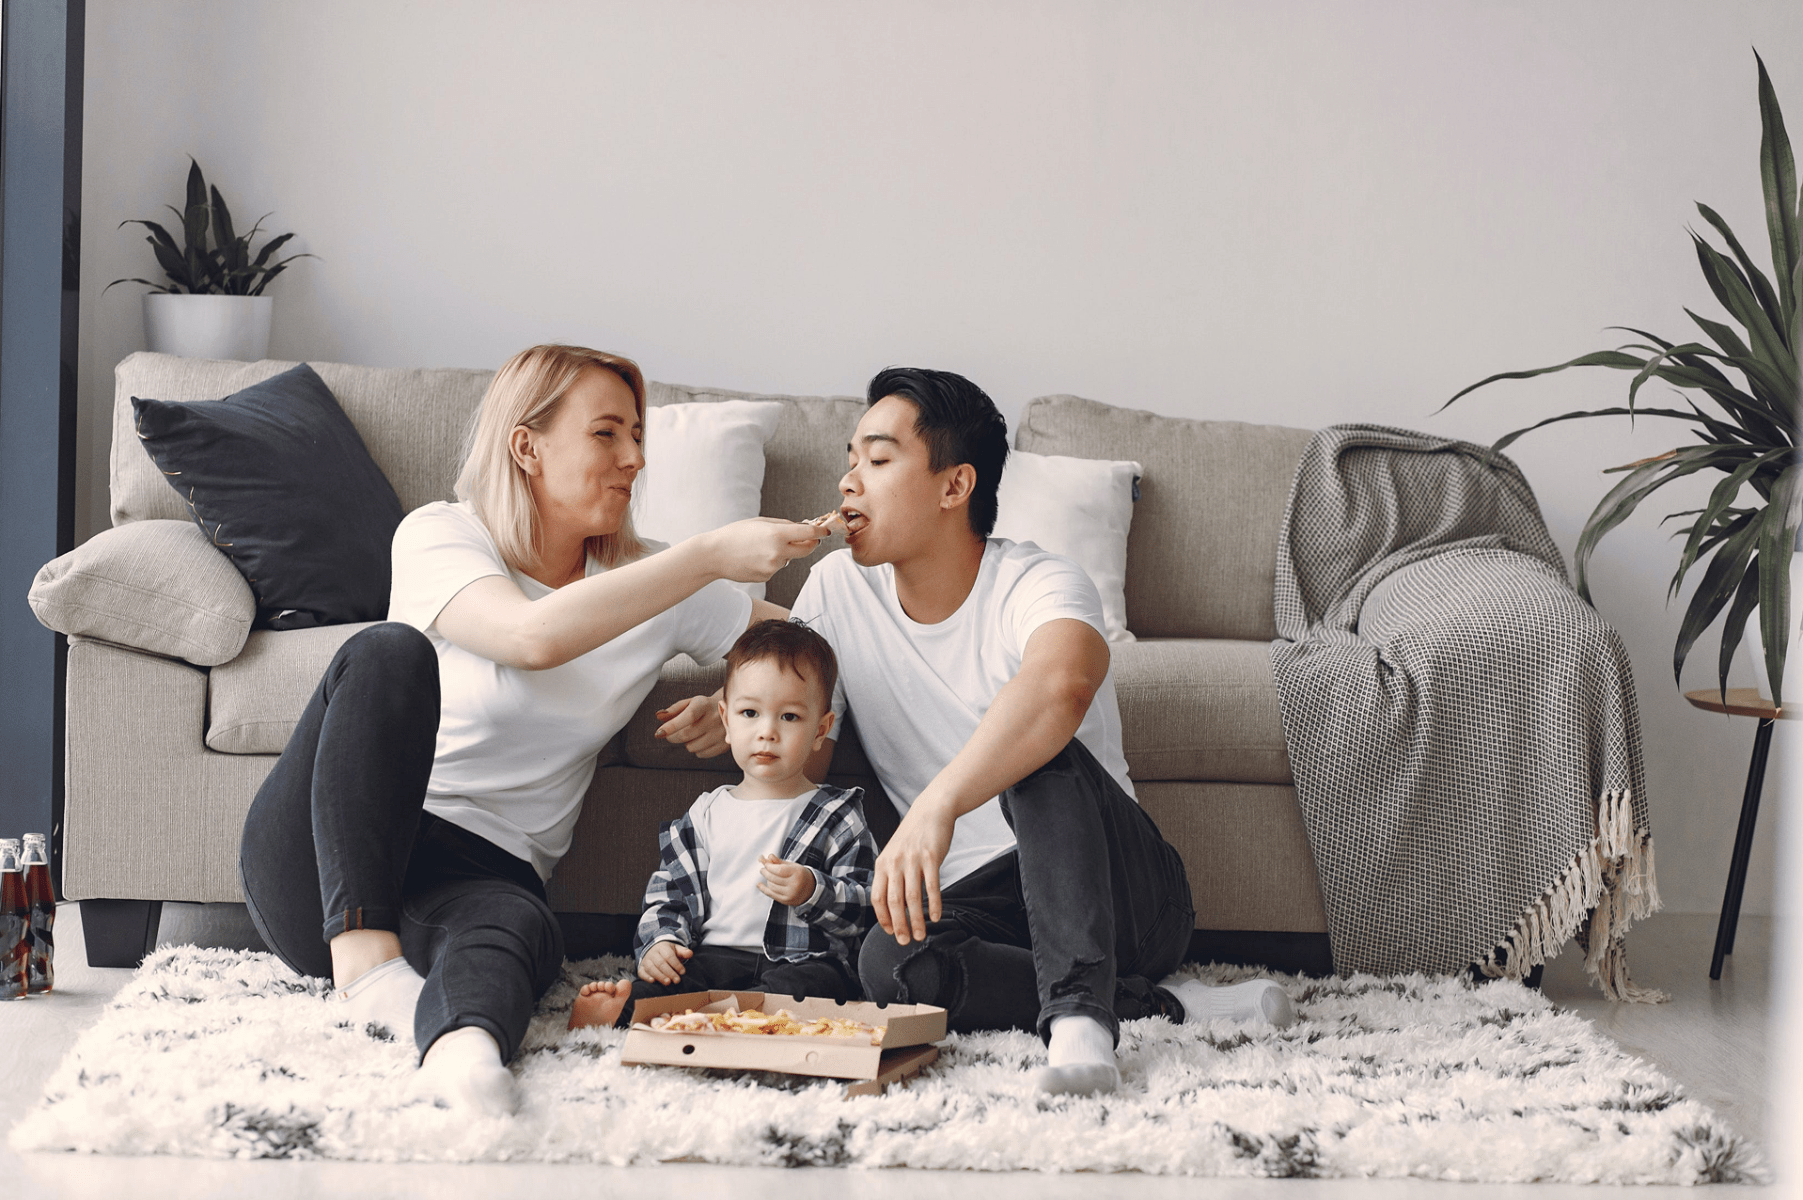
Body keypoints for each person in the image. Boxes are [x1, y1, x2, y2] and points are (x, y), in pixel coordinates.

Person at [237, 344, 828, 1116]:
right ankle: (367, 973)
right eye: (608, 434)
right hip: (329, 864)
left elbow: (811, 650)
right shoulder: (440, 535)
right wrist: (711, 551)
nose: (634, 459)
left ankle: (463, 1056)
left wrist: (740, 698)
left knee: (519, 926)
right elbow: (530, 638)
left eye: (637, 437)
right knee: (386, 652)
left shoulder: (657, 583)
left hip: (483, 872)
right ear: (527, 446)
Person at [790, 367, 1296, 1097]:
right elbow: (785, 704)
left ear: (953, 485)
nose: (847, 483)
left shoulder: (1039, 581)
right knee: (891, 966)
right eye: (848, 461)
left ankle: (1079, 1025)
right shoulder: (837, 590)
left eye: (875, 460)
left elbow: (1060, 687)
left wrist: (937, 805)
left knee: (1034, 748)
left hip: (1122, 895)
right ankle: (1153, 1004)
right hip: (984, 906)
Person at [568, 619, 876, 1030]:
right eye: (750, 713)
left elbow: (864, 909)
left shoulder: (839, 814)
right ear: (726, 721)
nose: (767, 732)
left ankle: (735, 1019)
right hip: (715, 958)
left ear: (821, 730)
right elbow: (670, 893)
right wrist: (663, 942)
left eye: (789, 717)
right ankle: (621, 1011)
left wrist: (811, 890)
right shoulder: (706, 813)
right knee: (672, 982)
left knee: (817, 987)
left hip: (800, 961)